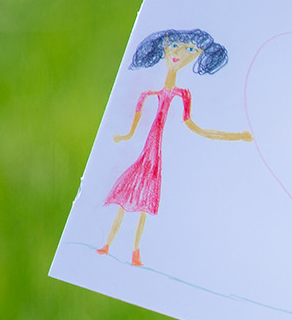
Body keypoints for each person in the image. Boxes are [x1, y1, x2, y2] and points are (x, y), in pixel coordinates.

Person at [98, 28, 253, 267]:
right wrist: (124, 137)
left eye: (190, 50)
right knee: (125, 201)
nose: (180, 53)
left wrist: (234, 136)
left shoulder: (183, 95)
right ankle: (107, 244)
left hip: (156, 159)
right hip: (144, 155)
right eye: (175, 47)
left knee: (144, 207)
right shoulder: (148, 94)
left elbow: (194, 126)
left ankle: (135, 252)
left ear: (198, 56)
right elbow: (133, 128)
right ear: (165, 46)